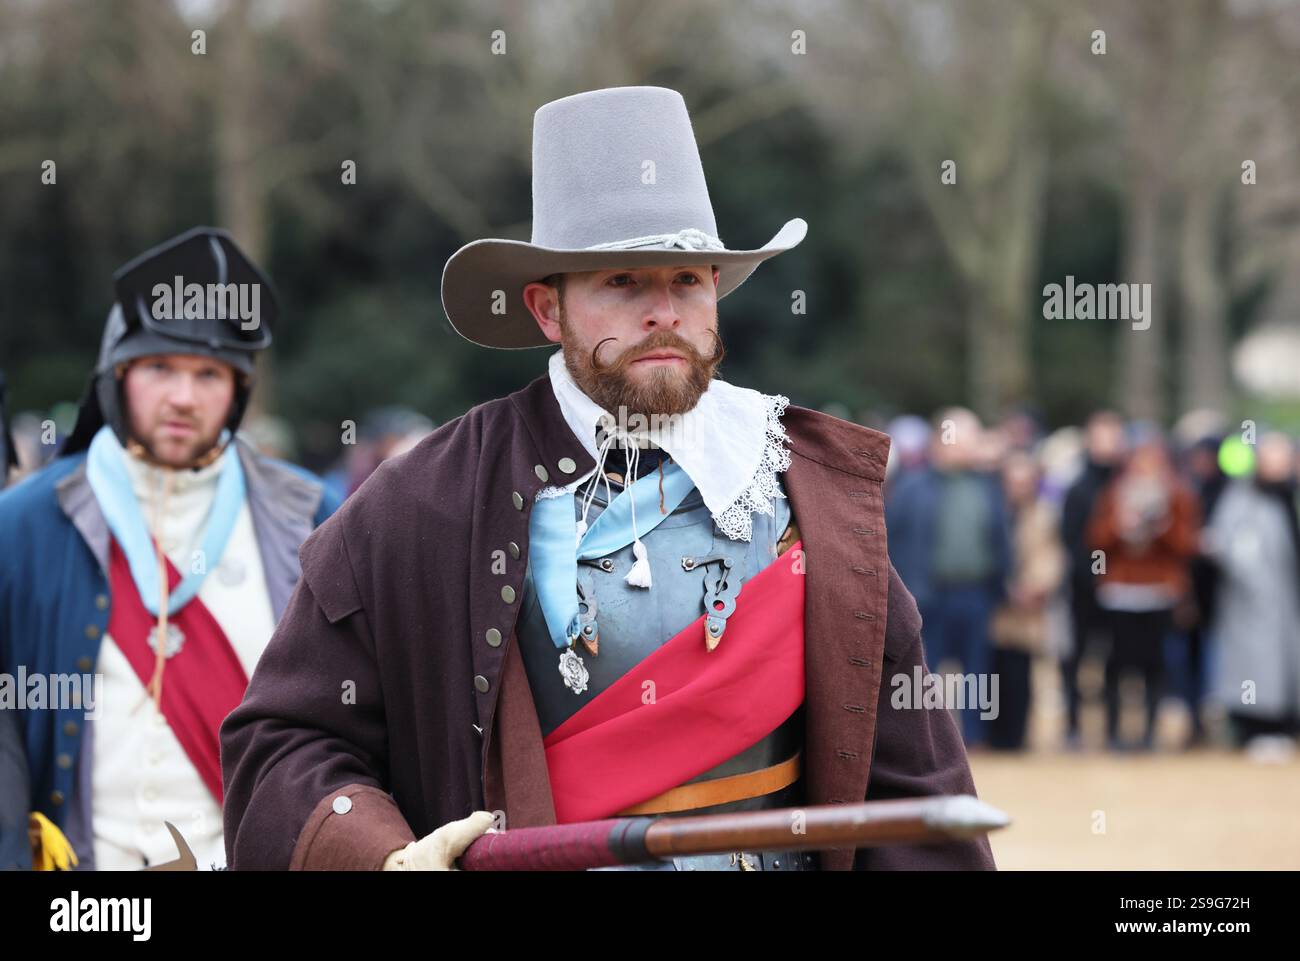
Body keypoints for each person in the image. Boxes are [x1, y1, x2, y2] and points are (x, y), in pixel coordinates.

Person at [220, 86, 995, 872]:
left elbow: (909, 783)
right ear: (547, 310)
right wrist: (383, 857)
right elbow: (284, 740)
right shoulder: (423, 501)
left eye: (688, 280)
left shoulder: (814, 490)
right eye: (623, 281)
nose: (664, 311)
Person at [0, 227, 340, 870]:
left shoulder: (317, 523)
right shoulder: (19, 528)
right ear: (118, 375)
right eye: (160, 369)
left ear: (239, 391)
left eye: (209, 374)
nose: (183, 398)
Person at [886, 407, 1012, 748]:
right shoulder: (912, 487)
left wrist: (1002, 583)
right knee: (922, 669)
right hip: (925, 595)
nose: (970, 446)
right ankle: (920, 740)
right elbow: (892, 539)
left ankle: (974, 737)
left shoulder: (988, 487)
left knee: (978, 671)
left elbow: (1001, 538)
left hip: (976, 593)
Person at [1087, 439, 1200, 751]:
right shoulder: (1114, 495)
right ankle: (1114, 733)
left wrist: (1160, 525)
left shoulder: (1177, 495)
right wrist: (1121, 526)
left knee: (1155, 665)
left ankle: (1150, 733)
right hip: (1121, 592)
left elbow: (1186, 545)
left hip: (1159, 592)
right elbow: (1096, 542)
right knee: (1117, 665)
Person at [1203, 432, 1300, 751]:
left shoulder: (1288, 497)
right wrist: (1256, 585)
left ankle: (1286, 725)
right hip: (1255, 604)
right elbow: (1230, 546)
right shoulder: (1242, 497)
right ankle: (1256, 728)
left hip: (1289, 601)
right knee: (1255, 669)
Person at [1058, 410, 1127, 748]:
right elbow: (1071, 538)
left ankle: (1114, 730)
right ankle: (1073, 726)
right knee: (1075, 659)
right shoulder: (1078, 487)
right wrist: (1092, 577)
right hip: (1083, 588)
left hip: (1122, 588)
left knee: (1116, 660)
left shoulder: (1126, 484)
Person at [989, 451, 1065, 751]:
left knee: (1021, 673)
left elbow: (1052, 556)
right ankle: (991, 734)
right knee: (993, 672)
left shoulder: (1044, 516)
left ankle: (1017, 736)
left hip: (1029, 611)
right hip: (996, 609)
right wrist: (1002, 588)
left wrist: (1035, 587)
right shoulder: (992, 513)